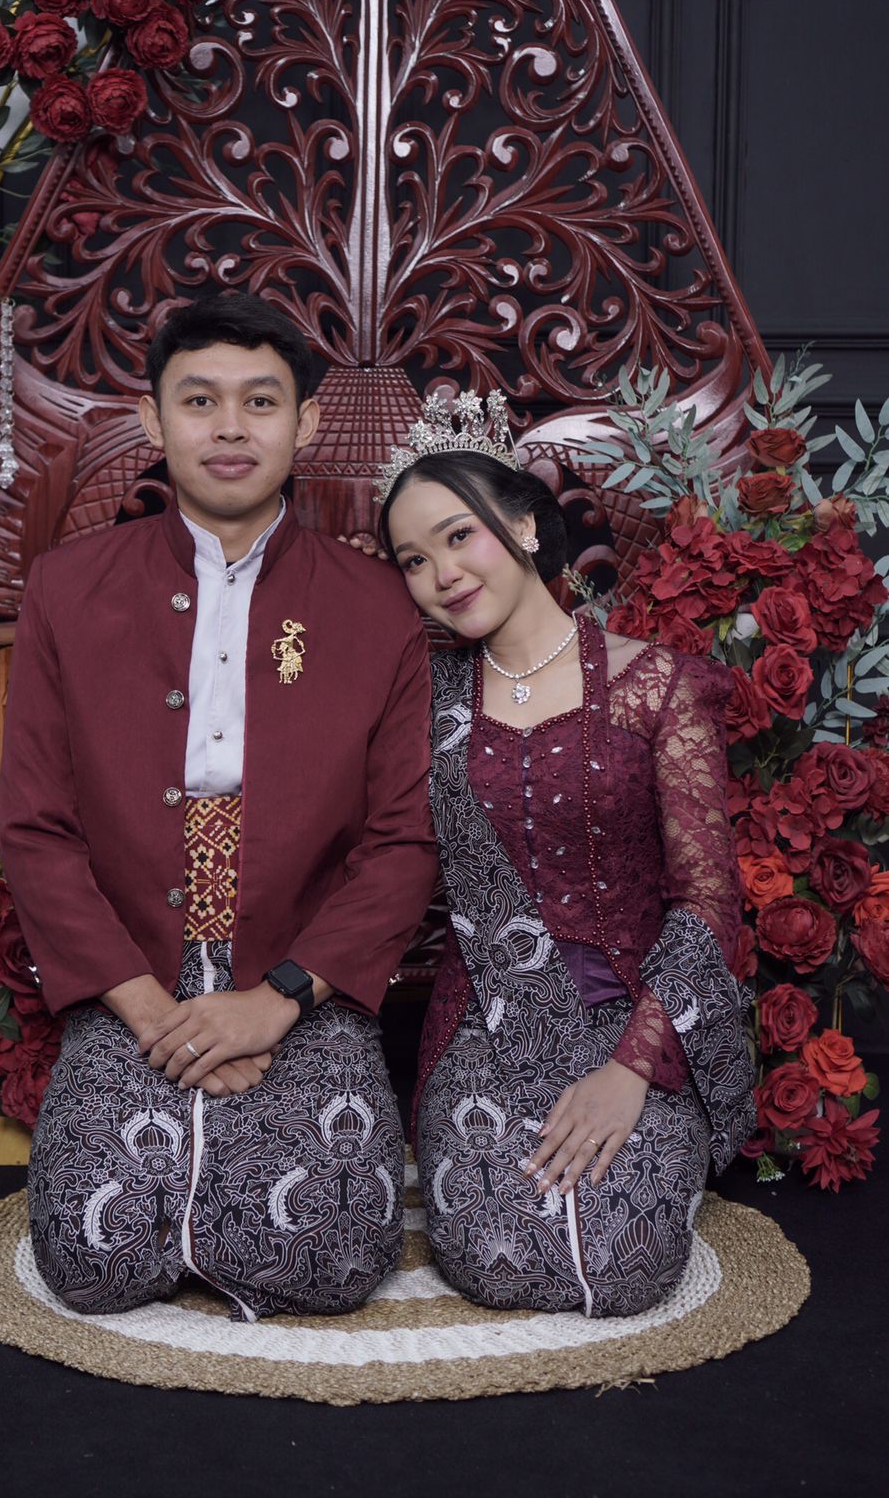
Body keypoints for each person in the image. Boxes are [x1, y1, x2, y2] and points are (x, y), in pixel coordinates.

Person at [0, 291, 437, 1321]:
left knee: (332, 1255)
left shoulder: (376, 603)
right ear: (152, 421)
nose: (230, 428)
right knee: (91, 1258)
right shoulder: (67, 587)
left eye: (260, 401)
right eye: (199, 401)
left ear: (307, 423)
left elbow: (401, 843)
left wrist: (271, 1002)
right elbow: (35, 827)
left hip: (301, 967)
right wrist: (154, 1015)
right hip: (129, 965)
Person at [377, 390, 754, 1318]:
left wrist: (633, 1069)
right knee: (499, 1256)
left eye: (458, 537)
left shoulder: (652, 684)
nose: (441, 575)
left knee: (624, 1261)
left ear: (520, 524)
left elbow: (709, 901)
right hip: (485, 1020)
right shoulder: (422, 703)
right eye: (414, 560)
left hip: (639, 1017)